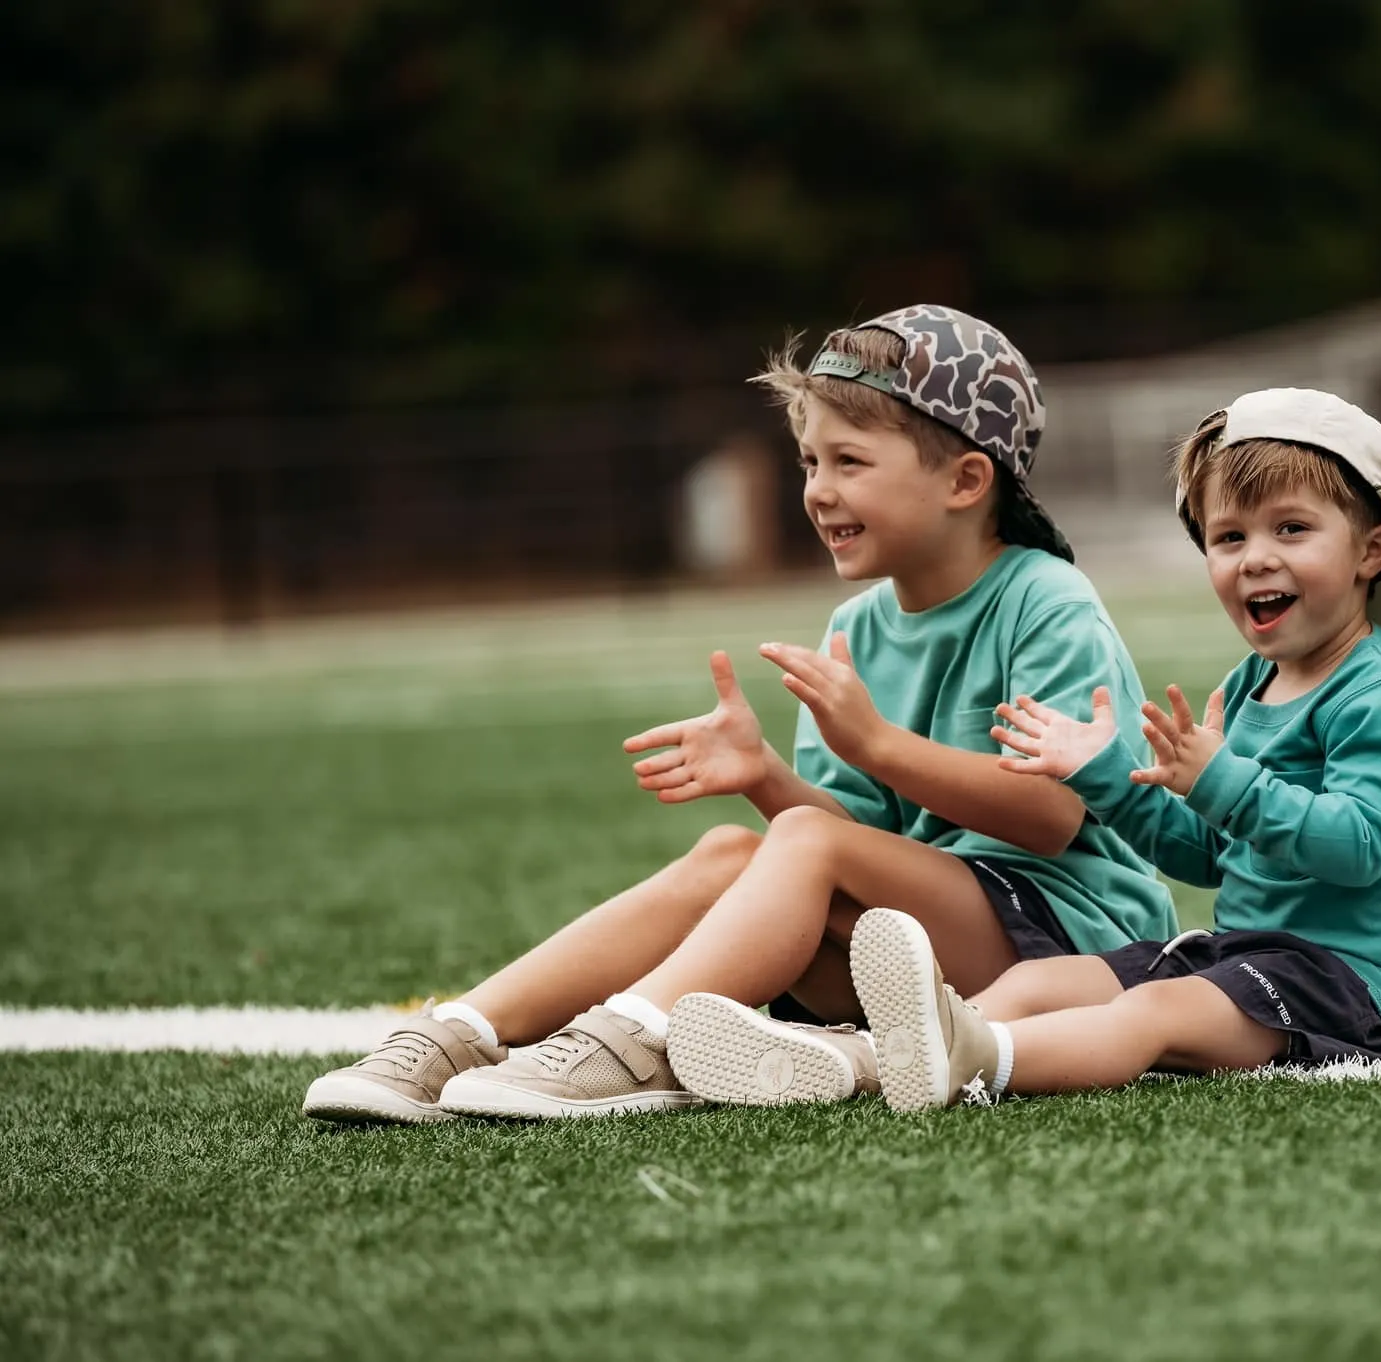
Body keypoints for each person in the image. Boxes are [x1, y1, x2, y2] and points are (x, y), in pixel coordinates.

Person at [301, 305, 1176, 1123]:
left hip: (1072, 944)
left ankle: (635, 1042)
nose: (818, 491)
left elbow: (1055, 816)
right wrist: (766, 778)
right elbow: (854, 840)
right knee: (733, 848)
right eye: (809, 463)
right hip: (918, 954)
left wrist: (877, 744)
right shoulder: (857, 628)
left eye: (850, 463)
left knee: (803, 843)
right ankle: (456, 1035)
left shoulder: (1045, 599)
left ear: (966, 479)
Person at [817, 387, 1381, 1109]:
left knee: (1153, 1015)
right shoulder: (1250, 685)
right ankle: (859, 1057)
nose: (1255, 559)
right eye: (1229, 538)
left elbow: (1358, 847)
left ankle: (978, 1058)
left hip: (1355, 986)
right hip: (1247, 955)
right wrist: (1105, 776)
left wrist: (1221, 781)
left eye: (1291, 529)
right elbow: (1204, 854)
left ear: (1372, 549)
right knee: (1041, 982)